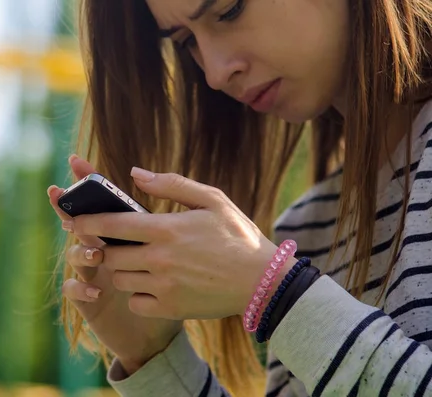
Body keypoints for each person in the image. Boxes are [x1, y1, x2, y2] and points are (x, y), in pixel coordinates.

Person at [47, 0, 432, 395]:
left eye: (229, 10)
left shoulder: (288, 264)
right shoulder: (310, 227)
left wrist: (275, 293)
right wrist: (156, 358)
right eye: (185, 43)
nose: (214, 73)